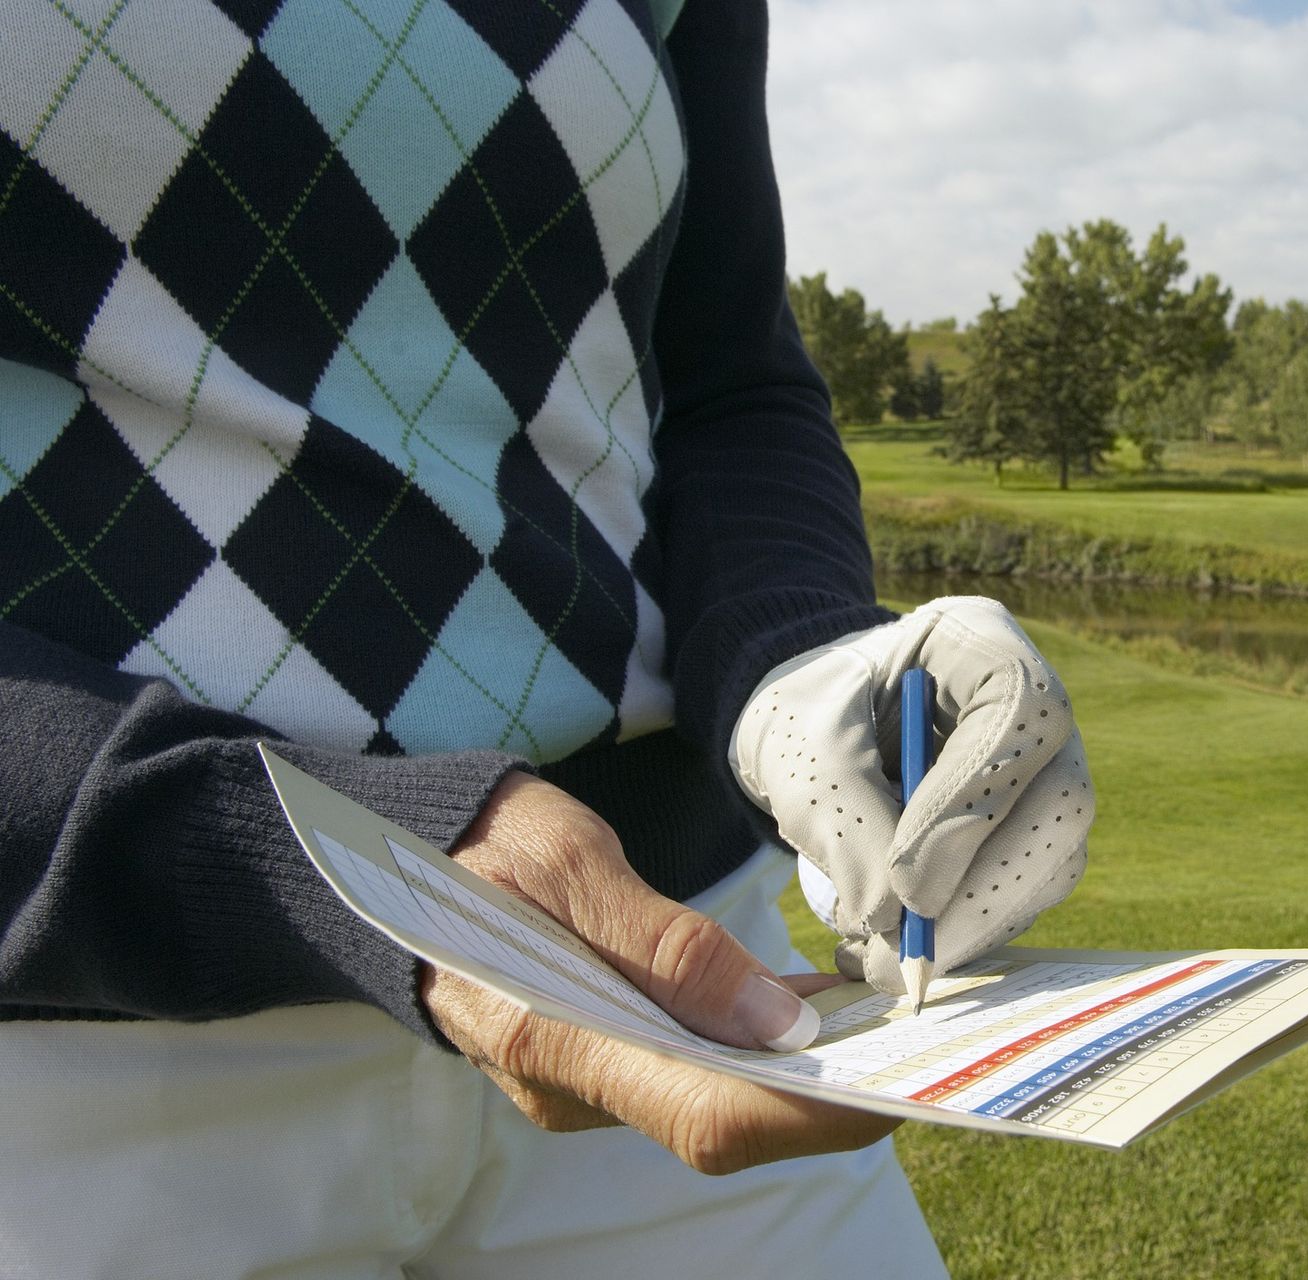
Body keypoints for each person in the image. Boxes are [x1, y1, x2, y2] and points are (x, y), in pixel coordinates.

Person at [0, 0, 1093, 1275]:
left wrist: (802, 664)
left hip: (677, 971)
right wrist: (331, 869)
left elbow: (728, 385)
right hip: (73, 1066)